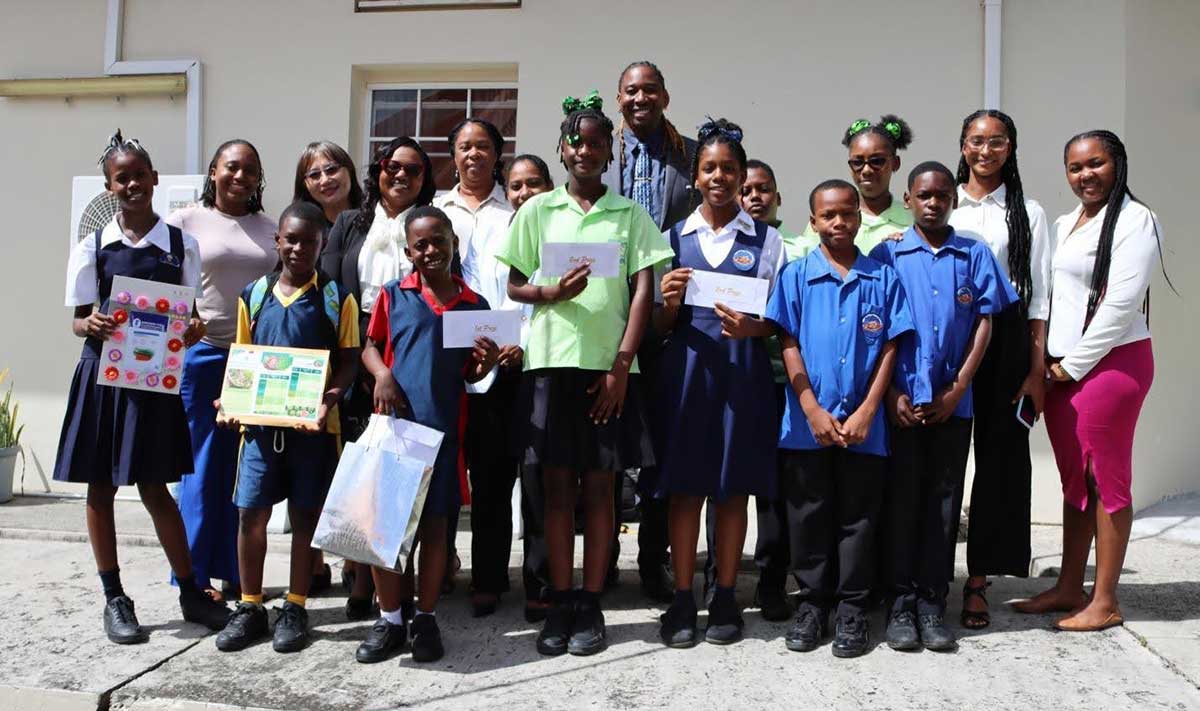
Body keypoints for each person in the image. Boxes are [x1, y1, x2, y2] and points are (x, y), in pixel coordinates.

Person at [497, 94, 674, 655]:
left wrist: (623, 364)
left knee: (600, 489)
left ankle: (592, 603)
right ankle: (559, 599)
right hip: (551, 367)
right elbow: (514, 285)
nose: (586, 150)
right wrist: (550, 292)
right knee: (554, 490)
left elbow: (644, 289)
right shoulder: (536, 211)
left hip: (608, 370)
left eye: (598, 142)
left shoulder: (630, 215)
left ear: (609, 151)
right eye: (577, 141)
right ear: (563, 149)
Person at [56, 130, 230, 644]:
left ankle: (191, 592)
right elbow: (78, 320)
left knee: (157, 489)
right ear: (110, 187)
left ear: (155, 179)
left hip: (154, 381)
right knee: (101, 487)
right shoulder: (92, 247)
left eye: (140, 175)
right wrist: (92, 325)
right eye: (121, 178)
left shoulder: (182, 245)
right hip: (105, 380)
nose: (132, 184)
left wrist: (194, 329)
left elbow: (188, 316)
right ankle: (115, 598)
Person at [1014, 131, 1166, 632]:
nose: (1086, 176)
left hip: (1110, 365)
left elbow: (1120, 305)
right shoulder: (1065, 223)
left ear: (1117, 163)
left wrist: (1069, 367)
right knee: (1075, 479)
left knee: (1106, 479)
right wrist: (1045, 366)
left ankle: (1105, 601)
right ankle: (1068, 587)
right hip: (1062, 369)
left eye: (1096, 164)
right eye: (1075, 167)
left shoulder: (1135, 220)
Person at [869, 162, 1016, 653]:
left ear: (953, 199)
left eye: (942, 195)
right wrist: (890, 395)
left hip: (954, 402)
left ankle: (933, 601)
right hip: (903, 401)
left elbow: (985, 324)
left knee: (942, 504)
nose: (933, 203)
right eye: (924, 196)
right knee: (901, 500)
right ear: (907, 200)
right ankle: (901, 603)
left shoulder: (973, 252)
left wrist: (958, 388)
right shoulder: (887, 254)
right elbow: (876, 326)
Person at [653, 119, 786, 647]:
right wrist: (666, 304)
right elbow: (661, 328)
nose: (719, 177)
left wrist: (756, 327)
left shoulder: (768, 241)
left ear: (742, 174)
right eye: (709, 167)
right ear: (694, 175)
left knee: (733, 493)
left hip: (742, 376)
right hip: (686, 375)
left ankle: (725, 594)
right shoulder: (671, 238)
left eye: (729, 168)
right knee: (685, 491)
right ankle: (683, 596)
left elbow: (780, 318)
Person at [768, 179, 912, 658]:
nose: (838, 223)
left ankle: (852, 609)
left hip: (863, 427)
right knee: (808, 516)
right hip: (807, 424)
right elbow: (787, 341)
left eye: (847, 214)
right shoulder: (796, 276)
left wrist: (871, 408)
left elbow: (891, 343)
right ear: (813, 222)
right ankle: (813, 603)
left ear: (859, 218)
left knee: (858, 517)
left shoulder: (882, 277)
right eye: (827, 215)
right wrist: (809, 407)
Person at [212, 201, 361, 654]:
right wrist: (229, 399)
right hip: (257, 431)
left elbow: (350, 362)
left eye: (309, 240)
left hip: (313, 431)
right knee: (250, 515)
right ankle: (251, 605)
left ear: (322, 244)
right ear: (277, 241)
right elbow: (242, 358)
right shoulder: (253, 295)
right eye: (290, 239)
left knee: (305, 518)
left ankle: (295, 605)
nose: (299, 248)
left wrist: (328, 400)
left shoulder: (337, 298)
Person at [357, 206, 500, 663]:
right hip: (397, 430)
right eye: (421, 244)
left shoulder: (474, 305)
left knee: (436, 529)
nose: (431, 250)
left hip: (443, 431)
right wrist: (381, 375)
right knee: (388, 531)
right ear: (408, 252)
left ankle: (426, 617)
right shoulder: (393, 295)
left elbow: (471, 372)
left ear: (453, 243)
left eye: (439, 240)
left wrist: (487, 363)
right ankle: (390, 618)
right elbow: (370, 346)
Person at [318, 137, 436, 621]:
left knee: (400, 471)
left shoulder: (431, 225)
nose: (401, 175)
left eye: (413, 168)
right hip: (355, 348)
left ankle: (401, 581)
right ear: (378, 171)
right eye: (392, 166)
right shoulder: (350, 222)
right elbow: (328, 286)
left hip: (406, 347)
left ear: (425, 179)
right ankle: (361, 575)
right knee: (360, 470)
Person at [602, 60, 701, 603]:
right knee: (608, 443)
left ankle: (654, 558)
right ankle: (605, 553)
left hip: (670, 315)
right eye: (631, 90)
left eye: (650, 89)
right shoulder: (601, 152)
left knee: (660, 444)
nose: (640, 98)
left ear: (665, 95)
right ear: (618, 98)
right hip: (606, 313)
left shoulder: (688, 156)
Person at [949, 110, 1051, 629]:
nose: (985, 150)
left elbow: (1037, 299)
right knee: (941, 462)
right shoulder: (944, 202)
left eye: (997, 141)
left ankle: (979, 580)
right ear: (962, 145)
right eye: (976, 141)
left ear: (1011, 148)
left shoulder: (1026, 211)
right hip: (947, 340)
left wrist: (1036, 369)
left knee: (999, 463)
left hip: (1007, 342)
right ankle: (925, 574)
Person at [168, 139, 277, 602]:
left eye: (250, 170)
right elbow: (164, 283)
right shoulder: (184, 221)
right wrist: (182, 318)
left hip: (254, 358)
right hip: (204, 355)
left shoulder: (271, 228)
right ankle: (194, 577)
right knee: (201, 466)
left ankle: (239, 575)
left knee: (246, 467)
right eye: (232, 167)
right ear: (213, 171)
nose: (241, 176)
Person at [438, 119, 523, 618]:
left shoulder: (514, 213)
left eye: (484, 147)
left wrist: (517, 346)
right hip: (444, 362)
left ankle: (488, 577)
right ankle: (438, 564)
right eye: (465, 147)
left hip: (500, 359)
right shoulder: (435, 210)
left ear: (497, 155)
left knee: (492, 478)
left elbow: (525, 284)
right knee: (441, 474)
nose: (474, 154)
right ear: (454, 156)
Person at [740, 157, 818, 621]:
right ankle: (736, 578)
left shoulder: (798, 250)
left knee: (784, 489)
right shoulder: (724, 247)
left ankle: (778, 581)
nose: (754, 196)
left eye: (763, 189)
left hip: (789, 382)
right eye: (746, 189)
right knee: (736, 487)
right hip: (740, 379)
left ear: (778, 197)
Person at [293, 139, 365, 599]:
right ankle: (314, 560)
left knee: (357, 464)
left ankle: (358, 562)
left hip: (361, 352)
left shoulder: (369, 218)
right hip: (310, 358)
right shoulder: (296, 225)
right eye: (314, 173)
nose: (325, 179)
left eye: (333, 168)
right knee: (311, 466)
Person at [500, 153, 556, 622]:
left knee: (539, 478)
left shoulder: (558, 235)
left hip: (541, 368)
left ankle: (539, 579)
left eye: (533, 183)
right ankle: (491, 576)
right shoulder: (499, 235)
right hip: (491, 371)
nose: (523, 193)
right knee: (498, 479)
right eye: (515, 185)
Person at [803, 116, 913, 254]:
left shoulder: (913, 219)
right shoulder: (826, 219)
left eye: (877, 161)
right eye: (858, 162)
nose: (866, 170)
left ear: (895, 163)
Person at [293, 140, 364, 227]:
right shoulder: (302, 230)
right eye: (314, 174)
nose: (325, 180)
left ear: (349, 170)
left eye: (331, 169)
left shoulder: (376, 219)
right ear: (304, 184)